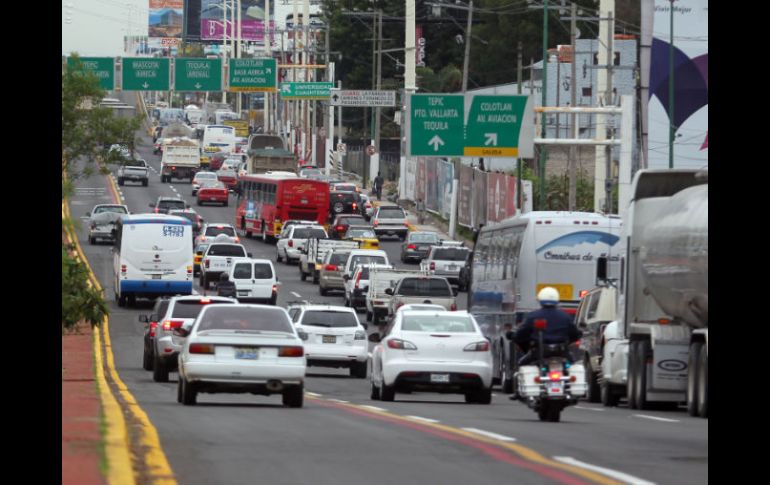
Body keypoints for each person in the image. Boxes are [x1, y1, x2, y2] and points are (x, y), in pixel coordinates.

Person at [510, 287, 582, 399]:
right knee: (572, 365)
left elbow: (521, 334)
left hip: (539, 352)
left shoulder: (533, 316)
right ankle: (570, 388)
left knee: (521, 363)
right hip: (561, 352)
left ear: (540, 300)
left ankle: (518, 392)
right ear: (557, 300)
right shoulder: (565, 316)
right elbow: (575, 334)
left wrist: (513, 336)